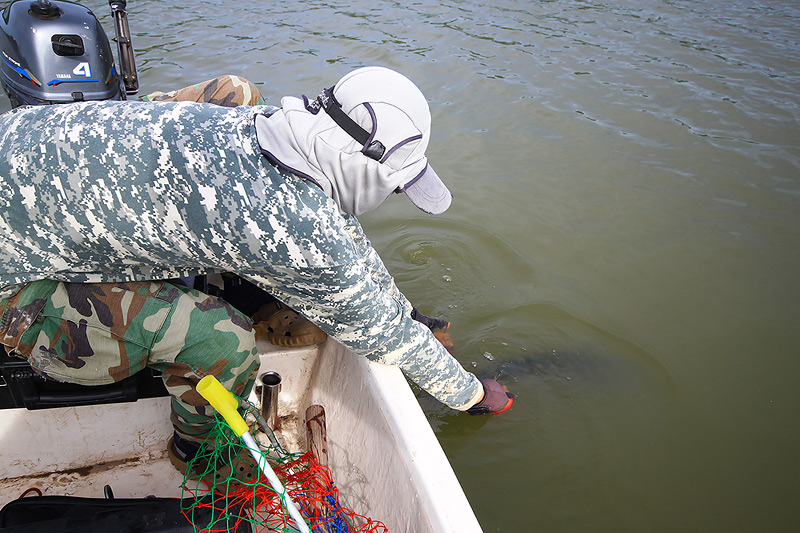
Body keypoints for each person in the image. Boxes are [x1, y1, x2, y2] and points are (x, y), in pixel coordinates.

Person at [0, 67, 513, 476]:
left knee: (235, 90)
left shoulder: (277, 127)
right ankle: (195, 452)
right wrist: (471, 395)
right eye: (395, 185)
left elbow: (339, 238)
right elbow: (379, 332)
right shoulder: (292, 225)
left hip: (26, 155)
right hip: (17, 278)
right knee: (220, 339)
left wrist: (411, 314)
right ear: (363, 166)